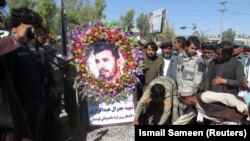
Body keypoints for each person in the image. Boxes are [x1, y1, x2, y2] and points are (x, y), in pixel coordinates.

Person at [173, 87, 249, 125]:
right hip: (224, 122)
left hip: (236, 117)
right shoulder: (193, 107)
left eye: (183, 102)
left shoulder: (205, 96)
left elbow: (227, 97)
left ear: (187, 99)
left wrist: (243, 109)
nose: (183, 104)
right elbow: (183, 119)